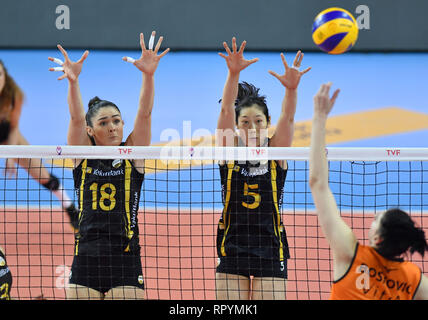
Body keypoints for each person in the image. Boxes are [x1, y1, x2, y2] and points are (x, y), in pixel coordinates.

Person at [49, 31, 169, 300]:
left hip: (125, 258)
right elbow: (76, 118)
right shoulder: (82, 156)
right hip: (86, 258)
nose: (113, 126)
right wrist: (73, 81)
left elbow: (145, 113)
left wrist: (148, 75)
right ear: (91, 130)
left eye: (116, 120)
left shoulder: (133, 154)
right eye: (103, 123)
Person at [309, 82, 428, 300]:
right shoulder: (415, 280)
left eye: (377, 219)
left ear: (378, 239)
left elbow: (318, 183)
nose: (372, 218)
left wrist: (319, 117)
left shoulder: (350, 256)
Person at [215, 37, 311, 300]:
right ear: (236, 125)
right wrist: (233, 73)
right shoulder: (228, 150)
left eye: (258, 121)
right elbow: (225, 108)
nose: (252, 128)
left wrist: (291, 90)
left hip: (270, 248)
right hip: (232, 247)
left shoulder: (277, 150)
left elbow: (288, 118)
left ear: (267, 122)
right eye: (244, 122)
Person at [0, 60, 79, 230]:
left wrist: (10, 156)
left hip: (7, 136)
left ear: (4, 76)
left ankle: (70, 208)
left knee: (44, 177)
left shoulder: (13, 94)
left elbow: (13, 128)